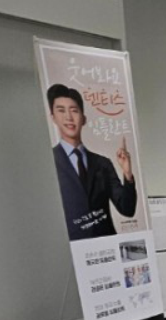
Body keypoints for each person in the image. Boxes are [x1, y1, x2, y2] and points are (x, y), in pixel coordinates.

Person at [47, 84, 137, 241]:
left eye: (74, 110)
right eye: (61, 110)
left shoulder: (102, 163)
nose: (68, 117)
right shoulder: (48, 163)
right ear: (53, 117)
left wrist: (127, 174)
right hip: (72, 248)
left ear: (84, 118)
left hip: (107, 247)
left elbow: (127, 209)